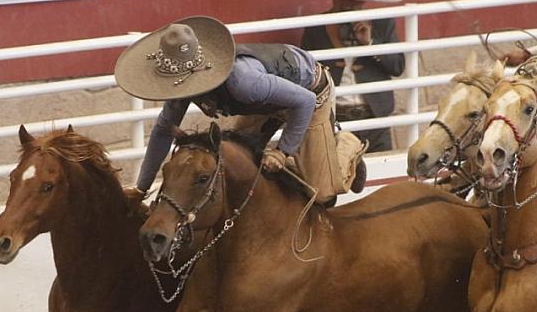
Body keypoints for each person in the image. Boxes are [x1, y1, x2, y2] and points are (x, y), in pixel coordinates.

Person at [118, 16, 364, 205]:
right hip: (265, 100)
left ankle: (346, 148)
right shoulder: (182, 89)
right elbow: (163, 132)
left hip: (309, 91)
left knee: (321, 193)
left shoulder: (243, 83)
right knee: (241, 163)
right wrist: (141, 188)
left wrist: (281, 152)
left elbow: (305, 101)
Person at [298, 0, 405, 153]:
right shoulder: (316, 27)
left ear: (365, 0)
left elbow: (397, 66)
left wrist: (370, 43)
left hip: (375, 118)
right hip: (336, 118)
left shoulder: (382, 23)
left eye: (356, 1)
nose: (350, 5)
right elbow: (306, 73)